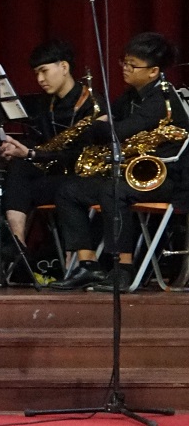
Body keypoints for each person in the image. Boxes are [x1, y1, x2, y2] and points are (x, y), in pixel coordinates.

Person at [51, 33, 189, 290]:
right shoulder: (131, 95)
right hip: (132, 174)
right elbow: (109, 120)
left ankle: (123, 269)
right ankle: (88, 265)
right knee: (69, 191)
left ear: (153, 71)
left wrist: (98, 127)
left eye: (133, 65)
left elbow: (119, 131)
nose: (125, 68)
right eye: (124, 62)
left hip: (169, 178)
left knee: (113, 191)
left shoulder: (163, 100)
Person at [0, 39, 97, 248]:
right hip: (52, 172)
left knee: (23, 186)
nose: (40, 79)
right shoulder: (45, 102)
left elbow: (80, 153)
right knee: (17, 171)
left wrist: (33, 154)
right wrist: (18, 149)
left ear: (64, 67)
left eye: (44, 71)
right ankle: (17, 244)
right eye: (36, 73)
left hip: (80, 177)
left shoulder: (91, 105)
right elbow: (39, 141)